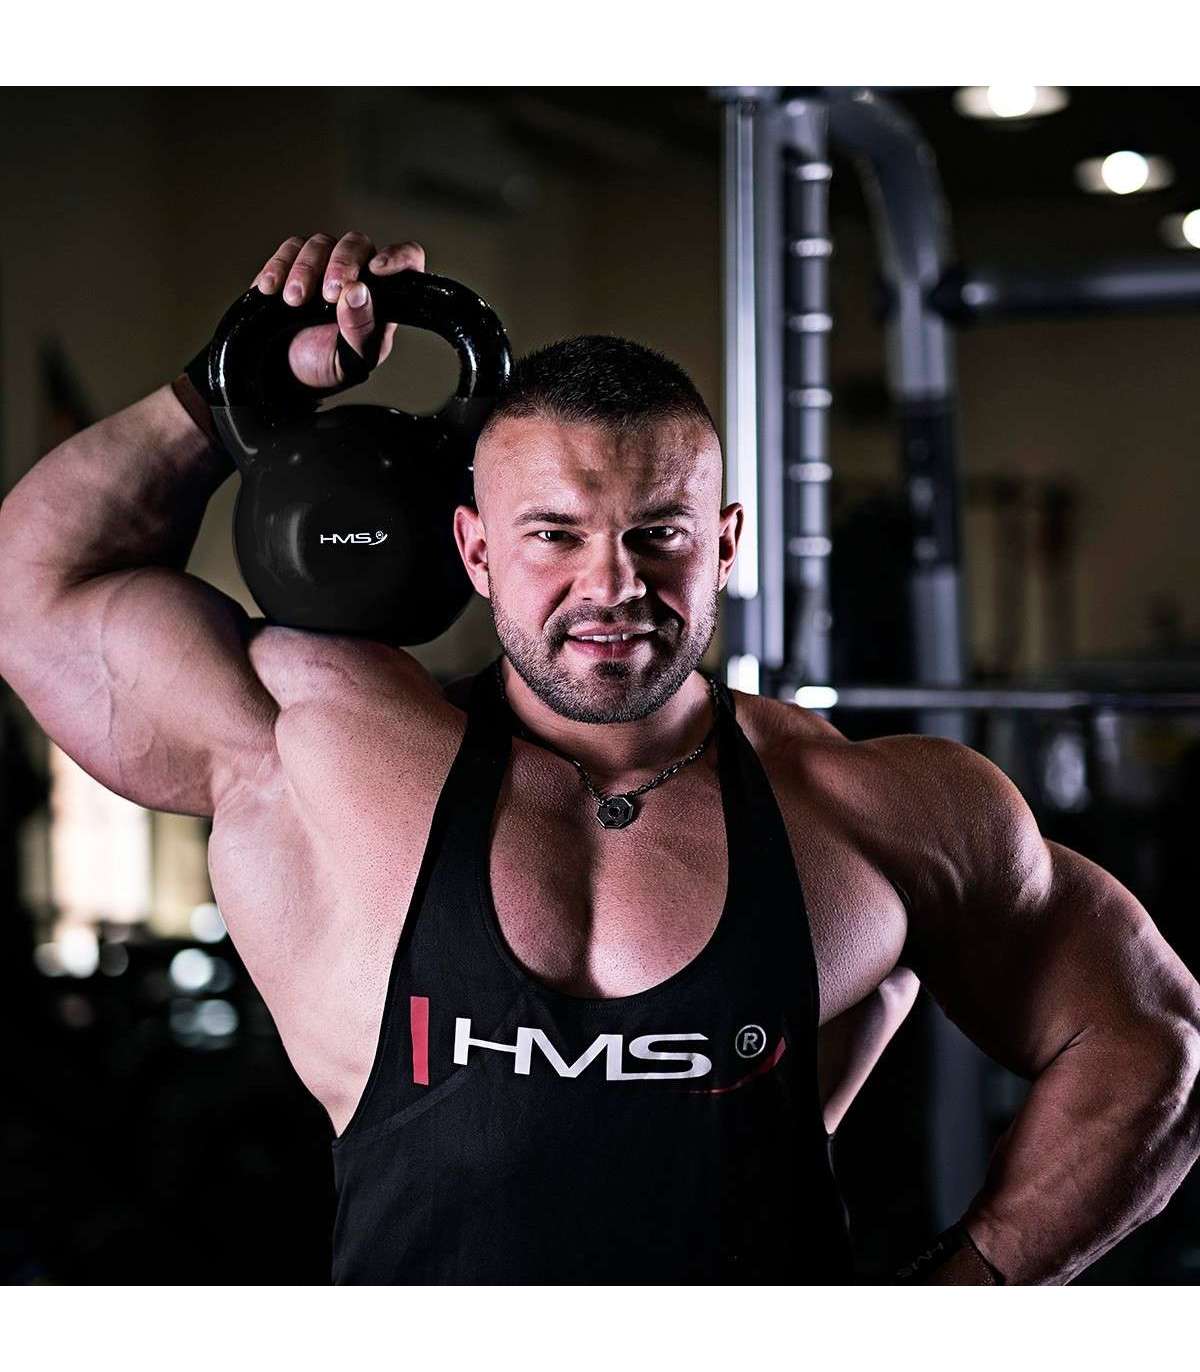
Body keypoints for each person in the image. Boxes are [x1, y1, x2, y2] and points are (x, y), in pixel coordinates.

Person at [0, 230, 1197, 1286]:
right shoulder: (316, 752)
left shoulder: (874, 808)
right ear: (475, 549)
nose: (612, 584)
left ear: (723, 543)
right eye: (555, 535)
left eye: (657, 533)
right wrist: (226, 392)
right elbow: (32, 591)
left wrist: (965, 1292)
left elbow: (1154, 1044)